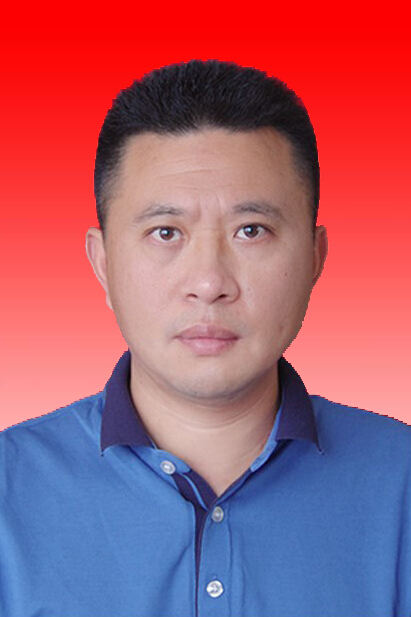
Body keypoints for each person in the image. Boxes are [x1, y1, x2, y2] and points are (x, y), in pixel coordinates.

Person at [0, 60, 410, 617]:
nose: (209, 282)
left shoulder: (401, 485)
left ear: (315, 258)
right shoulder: (10, 490)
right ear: (103, 262)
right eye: (166, 232)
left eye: (251, 230)